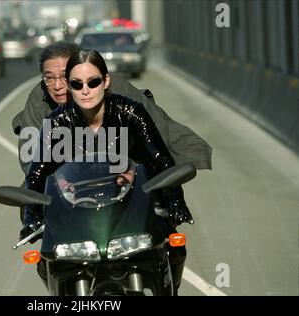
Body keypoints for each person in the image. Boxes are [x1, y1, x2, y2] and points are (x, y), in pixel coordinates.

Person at [21, 49, 194, 295]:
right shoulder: (57, 123)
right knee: (47, 258)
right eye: (76, 83)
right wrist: (32, 218)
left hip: (134, 201)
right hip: (80, 208)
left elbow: (160, 160)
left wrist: (175, 201)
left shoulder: (131, 112)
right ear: (69, 87)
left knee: (174, 246)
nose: (85, 89)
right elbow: (36, 175)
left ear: (105, 81)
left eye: (92, 82)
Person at [12, 42, 212, 176]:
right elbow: (30, 157)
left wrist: (137, 171)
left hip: (129, 163)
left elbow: (155, 132)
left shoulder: (118, 89)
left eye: (65, 77)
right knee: (31, 202)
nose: (57, 86)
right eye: (49, 78)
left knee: (163, 198)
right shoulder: (39, 98)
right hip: (69, 175)